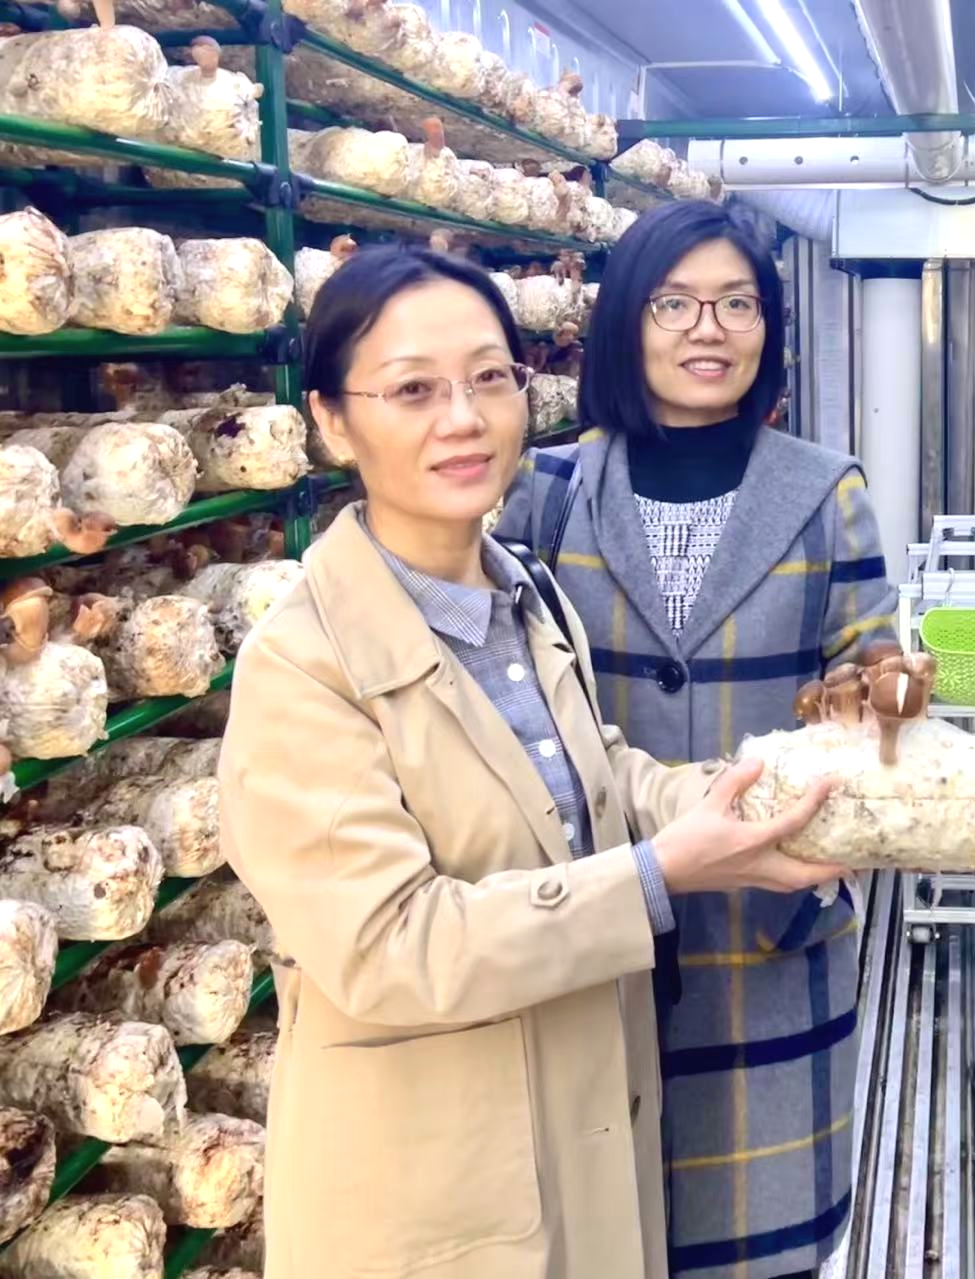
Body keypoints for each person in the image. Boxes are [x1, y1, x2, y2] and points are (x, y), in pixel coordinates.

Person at [217, 244, 843, 1279]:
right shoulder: (302, 663)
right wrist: (660, 874)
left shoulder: (525, 595)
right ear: (331, 419)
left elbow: (603, 774)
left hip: (577, 1145)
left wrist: (782, 800)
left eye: (489, 378)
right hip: (431, 1195)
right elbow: (394, 945)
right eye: (413, 390)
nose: (463, 418)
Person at [495, 200, 896, 1279]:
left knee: (758, 1247)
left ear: (769, 327)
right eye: (673, 303)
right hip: (590, 927)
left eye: (735, 304)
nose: (707, 329)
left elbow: (869, 693)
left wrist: (877, 712)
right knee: (592, 1239)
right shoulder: (543, 492)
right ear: (627, 319)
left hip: (767, 934)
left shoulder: (825, 492)